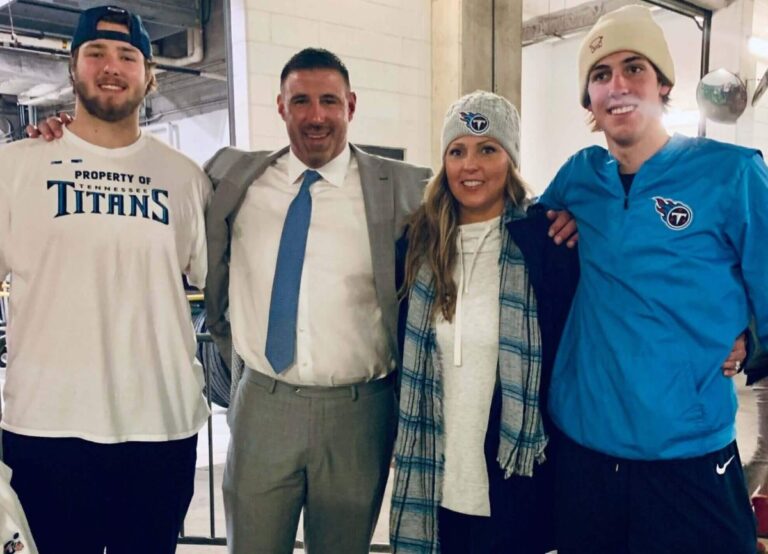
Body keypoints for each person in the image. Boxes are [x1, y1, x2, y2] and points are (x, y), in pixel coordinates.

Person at [538, 5, 768, 553]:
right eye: (600, 75)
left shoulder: (733, 174)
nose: (617, 85)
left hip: (688, 454)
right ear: (588, 101)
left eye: (634, 68)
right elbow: (526, 243)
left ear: (663, 83)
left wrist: (753, 342)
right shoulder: (578, 177)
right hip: (586, 452)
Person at [202, 48, 432, 554]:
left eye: (329, 100)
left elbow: (489, 195)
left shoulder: (405, 187)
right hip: (263, 402)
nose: (316, 115)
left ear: (351, 105)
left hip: (359, 410)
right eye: (300, 100)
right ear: (280, 107)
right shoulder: (233, 178)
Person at [0, 5, 211, 553]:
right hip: (47, 431)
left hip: (160, 429)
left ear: (149, 74)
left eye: (127, 56)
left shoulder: (185, 178)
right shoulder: (17, 167)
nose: (111, 67)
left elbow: (225, 283)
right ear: (72, 67)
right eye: (95, 53)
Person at [389, 90, 579, 554]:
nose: (469, 165)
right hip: (434, 476)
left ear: (510, 159)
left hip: (513, 476)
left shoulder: (546, 242)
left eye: (487, 149)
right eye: (457, 151)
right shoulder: (416, 245)